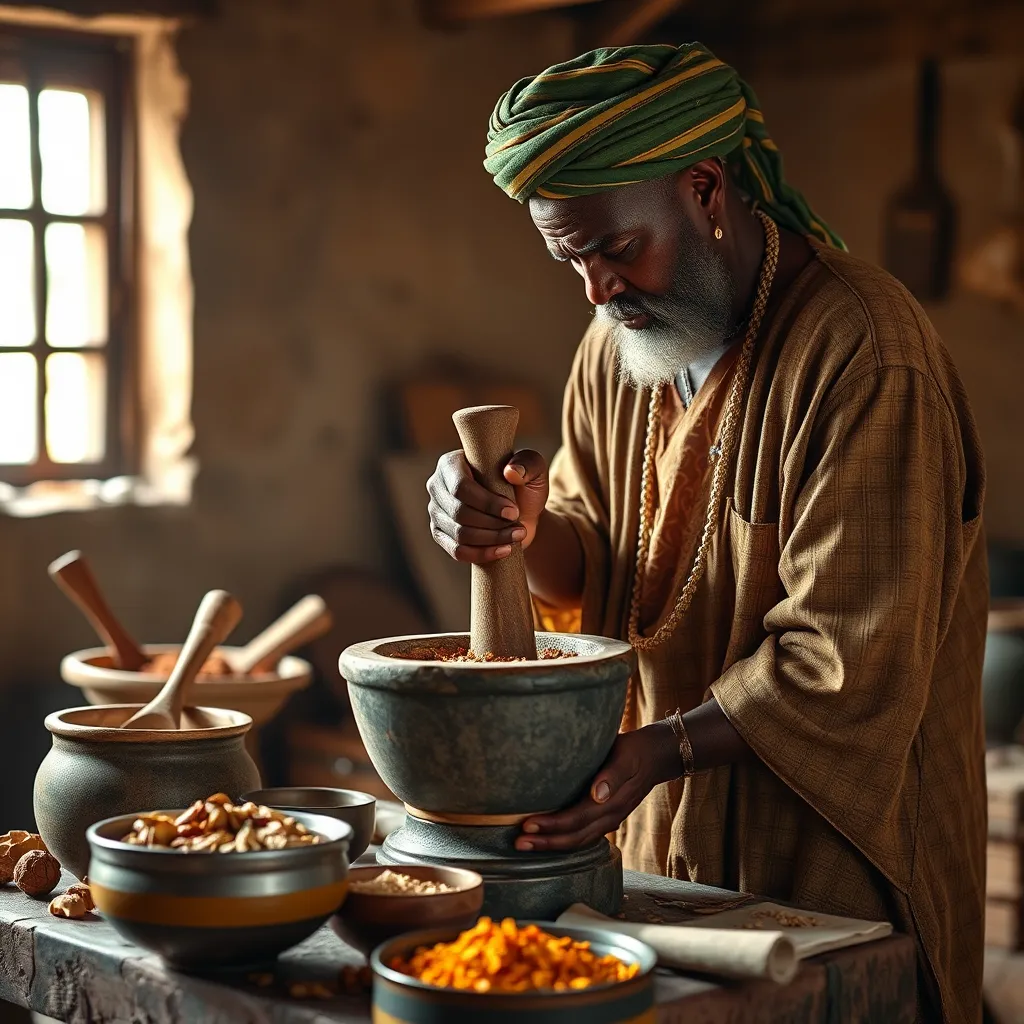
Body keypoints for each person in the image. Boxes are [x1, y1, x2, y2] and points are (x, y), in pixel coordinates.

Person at [426, 43, 987, 1023]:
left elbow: (844, 660)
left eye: (613, 247)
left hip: (829, 861)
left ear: (704, 190)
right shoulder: (616, 349)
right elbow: (599, 557)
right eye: (570, 259)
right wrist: (520, 530)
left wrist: (657, 750)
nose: (596, 288)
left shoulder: (864, 354)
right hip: (656, 836)